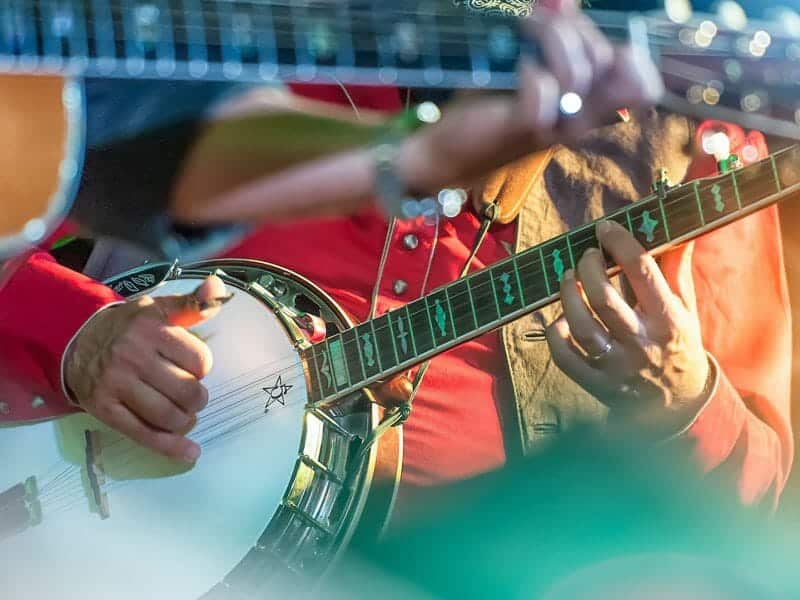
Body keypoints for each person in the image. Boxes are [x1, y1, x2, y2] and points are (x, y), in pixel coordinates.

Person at [0, 0, 791, 520]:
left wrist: (686, 401)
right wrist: (78, 334)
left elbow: (758, 489)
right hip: (80, 525)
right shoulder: (260, 33)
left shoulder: (698, 150)